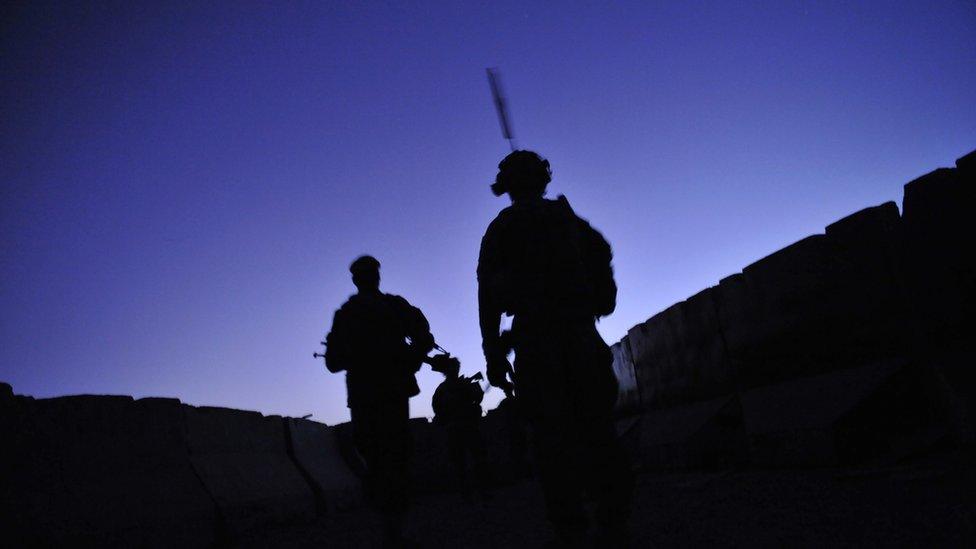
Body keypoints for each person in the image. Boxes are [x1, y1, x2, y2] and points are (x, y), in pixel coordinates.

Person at [477, 151, 633, 546]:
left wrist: (494, 353)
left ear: (507, 186)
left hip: (536, 344)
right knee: (598, 431)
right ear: (543, 180)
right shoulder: (569, 221)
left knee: (551, 441)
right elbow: (603, 266)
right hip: (581, 337)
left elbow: (487, 296)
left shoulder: (503, 227)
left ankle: (571, 530)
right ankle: (613, 522)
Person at [323, 255, 434, 548]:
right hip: (390, 393)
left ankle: (391, 532)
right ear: (377, 277)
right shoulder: (394, 307)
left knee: (379, 460)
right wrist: (409, 360)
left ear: (356, 280)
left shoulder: (346, 315)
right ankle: (394, 531)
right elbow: (423, 337)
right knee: (394, 459)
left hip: (366, 396)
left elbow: (333, 362)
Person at [428, 354, 488, 498]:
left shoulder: (461, 384)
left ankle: (481, 489)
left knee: (477, 458)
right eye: (452, 367)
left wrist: (471, 390)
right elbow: (437, 408)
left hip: (468, 425)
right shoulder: (443, 389)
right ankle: (466, 492)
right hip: (455, 427)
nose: (455, 369)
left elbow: (477, 399)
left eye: (456, 367)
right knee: (460, 462)